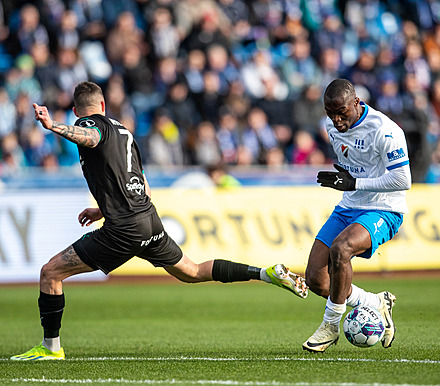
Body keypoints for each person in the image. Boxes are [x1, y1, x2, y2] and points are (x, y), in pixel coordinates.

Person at [11, 81, 308, 361]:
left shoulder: (90, 125)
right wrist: (102, 210)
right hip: (148, 220)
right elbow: (142, 185)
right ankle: (265, 273)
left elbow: (89, 137)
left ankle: (51, 348)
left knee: (50, 273)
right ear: (103, 103)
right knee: (191, 271)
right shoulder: (125, 133)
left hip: (124, 229)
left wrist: (53, 126)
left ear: (78, 111)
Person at [302, 79, 412, 352]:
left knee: (341, 249)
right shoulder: (330, 126)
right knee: (316, 278)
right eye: (331, 113)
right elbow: (355, 162)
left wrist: (356, 183)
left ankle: (330, 326)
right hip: (349, 205)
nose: (337, 121)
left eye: (342, 112)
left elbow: (402, 179)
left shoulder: (385, 130)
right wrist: (347, 177)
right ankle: (376, 303)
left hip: (384, 207)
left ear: (357, 103)